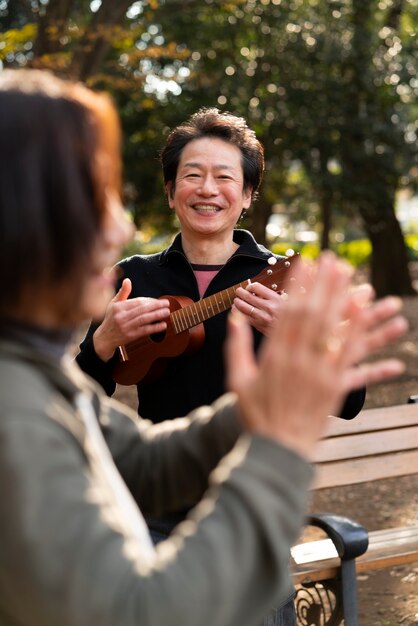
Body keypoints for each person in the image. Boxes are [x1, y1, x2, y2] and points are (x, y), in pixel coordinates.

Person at [0, 68, 408, 626]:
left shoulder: (27, 371)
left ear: (247, 197)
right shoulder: (15, 404)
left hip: (223, 517)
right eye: (96, 197)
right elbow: (141, 610)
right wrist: (277, 452)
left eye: (224, 178)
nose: (120, 225)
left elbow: (144, 460)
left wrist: (276, 400)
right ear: (26, 220)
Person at [76, 108, 367, 623]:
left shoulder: (284, 277)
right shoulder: (131, 277)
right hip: (158, 502)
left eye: (224, 176)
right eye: (192, 174)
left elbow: (350, 401)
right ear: (171, 192)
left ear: (248, 195)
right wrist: (103, 341)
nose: (207, 188)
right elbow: (76, 395)